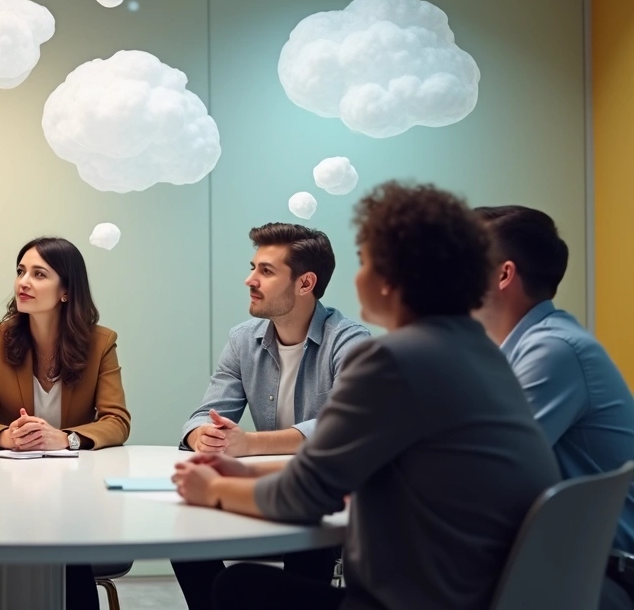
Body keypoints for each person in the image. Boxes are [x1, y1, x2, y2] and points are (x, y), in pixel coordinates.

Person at [173, 182, 561, 610]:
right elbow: (338, 475)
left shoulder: (394, 360)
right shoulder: (482, 353)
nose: (357, 278)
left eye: (363, 261)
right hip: (483, 593)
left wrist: (214, 489)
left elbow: (305, 497)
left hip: (415, 601)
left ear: (391, 278)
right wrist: (242, 475)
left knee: (239, 586)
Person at [172, 223, 369, 607]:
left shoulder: (349, 341)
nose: (250, 280)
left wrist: (248, 443)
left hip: (320, 495)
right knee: (183, 532)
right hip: (268, 484)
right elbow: (203, 415)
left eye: (266, 271)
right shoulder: (243, 339)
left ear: (305, 283)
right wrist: (205, 436)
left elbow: (343, 429)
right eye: (253, 268)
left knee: (304, 544)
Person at [473, 205, 634, 605]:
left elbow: (481, 469)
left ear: (504, 275)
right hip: (566, 564)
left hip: (599, 578)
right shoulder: (519, 351)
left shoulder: (553, 350)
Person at [0, 236, 130, 610]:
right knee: (51, 541)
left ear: (66, 290)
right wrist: (7, 437)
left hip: (76, 494)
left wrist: (66, 439)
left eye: (39, 274)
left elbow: (117, 420)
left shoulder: (100, 343)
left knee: (66, 539)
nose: (23, 282)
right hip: (10, 493)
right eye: (21, 271)